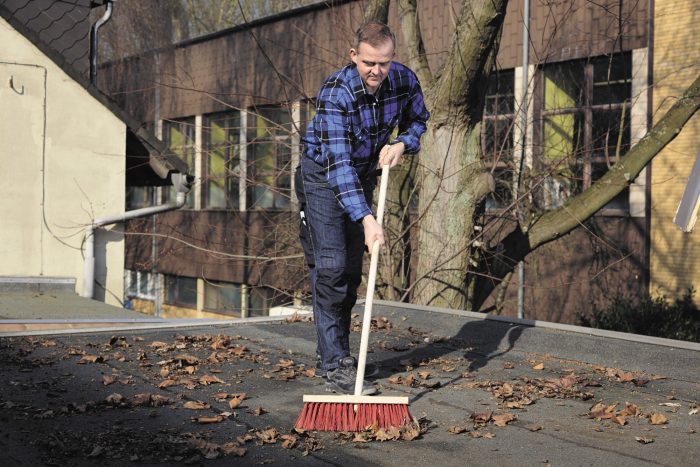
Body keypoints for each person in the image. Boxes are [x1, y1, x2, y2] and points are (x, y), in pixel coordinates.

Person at [295, 21, 430, 395]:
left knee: (350, 275)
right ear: (354, 56)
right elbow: (338, 168)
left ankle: (335, 354)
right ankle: (336, 362)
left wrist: (403, 143)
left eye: (384, 63)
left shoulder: (403, 80)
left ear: (392, 58)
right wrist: (368, 219)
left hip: (364, 175)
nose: (377, 71)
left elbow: (419, 119)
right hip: (322, 177)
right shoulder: (335, 94)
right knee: (332, 267)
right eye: (369, 62)